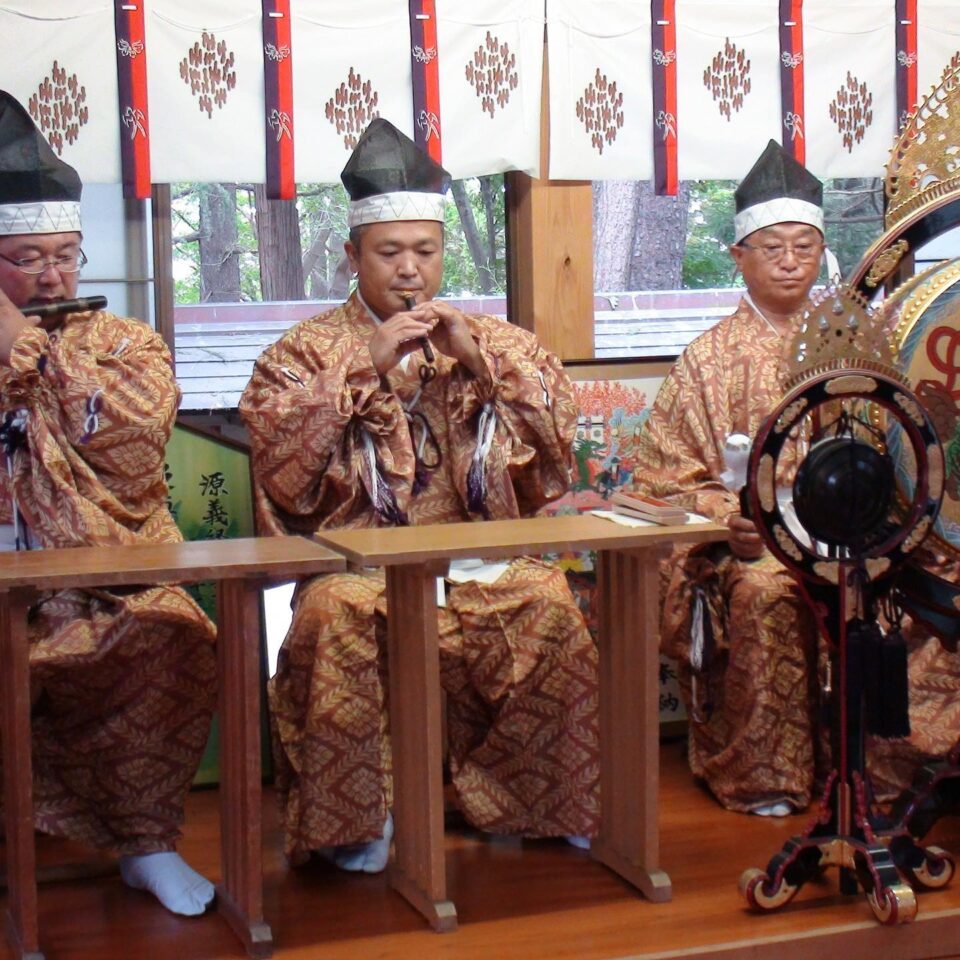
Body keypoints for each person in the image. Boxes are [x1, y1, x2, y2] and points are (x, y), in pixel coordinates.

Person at [240, 118, 599, 871]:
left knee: (547, 602)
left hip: (472, 557)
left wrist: (479, 365)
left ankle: (541, 798)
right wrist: (359, 371)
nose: (410, 271)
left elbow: (557, 450)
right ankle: (356, 821)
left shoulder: (490, 338)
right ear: (352, 256)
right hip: (358, 566)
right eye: (389, 252)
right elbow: (281, 468)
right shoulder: (302, 351)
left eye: (426, 252)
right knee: (335, 615)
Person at [0, 90, 217, 915]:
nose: (53, 273)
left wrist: (29, 353)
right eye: (28, 257)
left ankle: (148, 841)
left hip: (106, 574)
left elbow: (129, 449)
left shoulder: (128, 343)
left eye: (66, 252)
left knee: (172, 632)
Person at [633, 140, 827, 817]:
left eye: (805, 245)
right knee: (766, 589)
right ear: (739, 255)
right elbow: (662, 477)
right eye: (772, 247)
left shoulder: (854, 341)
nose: (790, 260)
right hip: (756, 544)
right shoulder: (707, 358)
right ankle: (764, 773)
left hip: (851, 536)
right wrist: (734, 521)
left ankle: (883, 771)